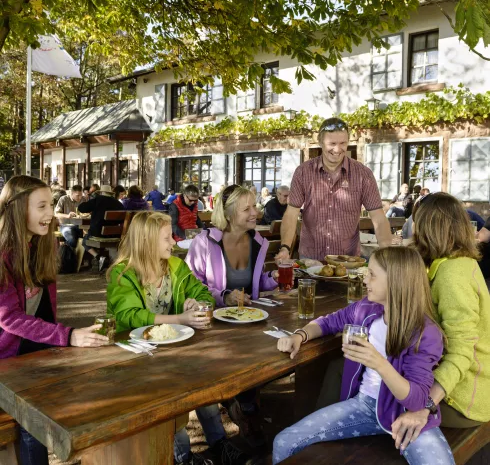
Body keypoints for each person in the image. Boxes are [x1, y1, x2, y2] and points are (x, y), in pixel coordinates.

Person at [273, 246, 453, 465]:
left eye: (372, 274)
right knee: (284, 442)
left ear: (395, 281)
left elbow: (416, 400)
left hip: (408, 417)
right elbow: (328, 322)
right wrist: (300, 336)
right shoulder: (367, 309)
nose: (364, 279)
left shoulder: (425, 333)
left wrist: (378, 362)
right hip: (364, 406)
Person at [106, 211, 253, 465]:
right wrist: (179, 320)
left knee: (203, 389)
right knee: (175, 410)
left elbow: (204, 295)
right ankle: (182, 458)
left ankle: (219, 444)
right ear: (147, 242)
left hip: (174, 352)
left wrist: (196, 305)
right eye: (167, 238)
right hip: (135, 358)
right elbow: (130, 316)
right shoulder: (122, 274)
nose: (174, 242)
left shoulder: (175, 266)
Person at [0, 175, 108, 465]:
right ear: (17, 208)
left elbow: (46, 312)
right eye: (42, 206)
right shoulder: (2, 256)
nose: (50, 214)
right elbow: (10, 319)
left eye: (51, 205)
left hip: (32, 352)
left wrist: (66, 344)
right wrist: (69, 336)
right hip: (6, 358)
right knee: (32, 416)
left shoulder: (39, 247)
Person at [391, 193, 490, 445]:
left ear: (429, 228)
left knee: (369, 383)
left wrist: (424, 406)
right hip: (462, 383)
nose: (413, 230)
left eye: (417, 223)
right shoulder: (455, 261)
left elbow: (461, 353)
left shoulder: (451, 274)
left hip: (465, 396)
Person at [186, 184, 278, 447]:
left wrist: (273, 277)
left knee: (267, 352)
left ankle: (246, 406)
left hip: (249, 319)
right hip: (213, 323)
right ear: (228, 214)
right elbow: (190, 285)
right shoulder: (204, 241)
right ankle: (242, 408)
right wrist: (223, 296)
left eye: (255, 206)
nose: (256, 213)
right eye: (247, 208)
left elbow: (256, 283)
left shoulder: (259, 242)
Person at [276, 118, 392, 262]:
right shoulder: (303, 172)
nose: (338, 149)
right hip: (310, 259)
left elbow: (378, 217)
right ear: (320, 142)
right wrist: (285, 247)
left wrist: (387, 255)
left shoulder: (363, 174)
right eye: (332, 143)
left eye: (343, 143)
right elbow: (291, 214)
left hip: (348, 261)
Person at [78, 184, 123, 272]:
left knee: (84, 241)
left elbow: (81, 208)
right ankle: (109, 261)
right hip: (114, 234)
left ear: (101, 192)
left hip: (97, 234)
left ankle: (98, 257)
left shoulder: (97, 200)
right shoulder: (118, 203)